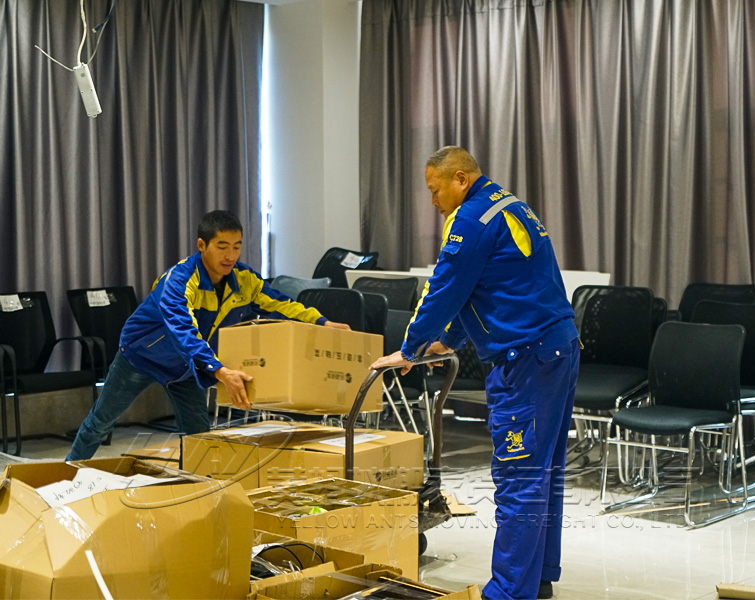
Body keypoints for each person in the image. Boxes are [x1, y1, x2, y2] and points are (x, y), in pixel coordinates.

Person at [371, 147, 579, 600]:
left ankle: (509, 592)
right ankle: (538, 577)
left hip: (526, 359)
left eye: (435, 190)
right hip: (557, 348)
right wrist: (449, 341)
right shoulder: (507, 205)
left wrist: (409, 349)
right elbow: (488, 288)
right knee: (543, 469)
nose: (433, 201)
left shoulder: (469, 221)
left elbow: (443, 290)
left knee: (519, 475)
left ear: (460, 179)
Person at [67, 210, 349, 461]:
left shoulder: (244, 279)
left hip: (187, 366)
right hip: (141, 356)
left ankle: (197, 490)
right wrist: (218, 369)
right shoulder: (180, 280)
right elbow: (182, 329)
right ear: (202, 245)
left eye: (237, 247)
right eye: (222, 246)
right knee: (100, 423)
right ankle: (66, 475)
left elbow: (279, 303)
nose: (230, 256)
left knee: (198, 435)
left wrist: (321, 322)